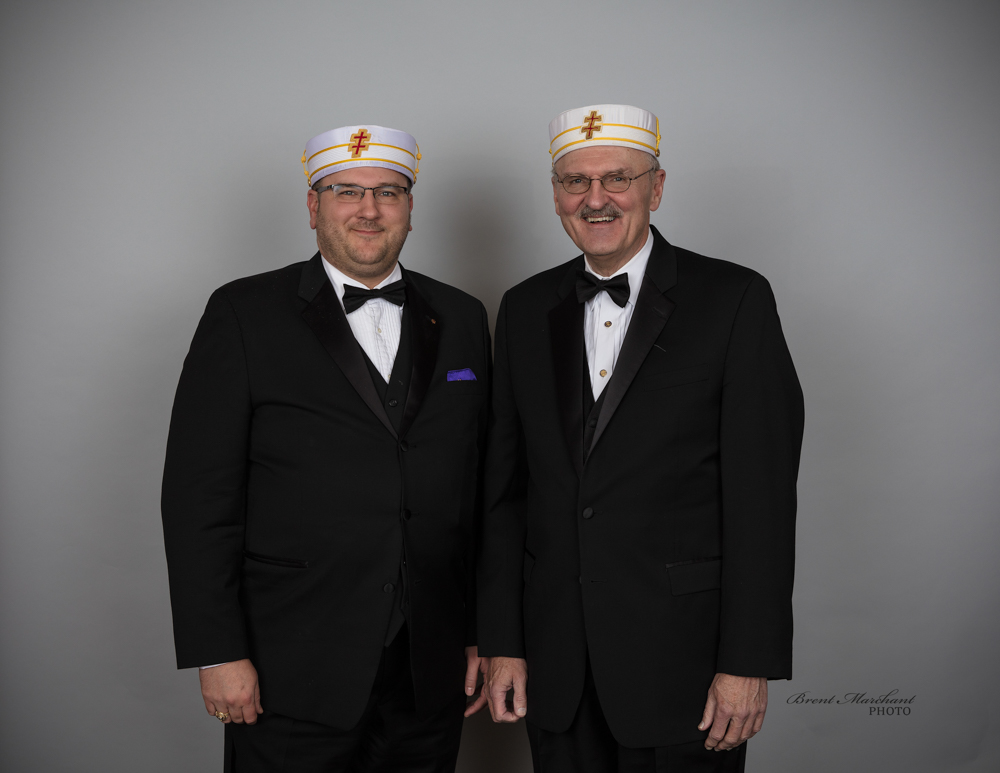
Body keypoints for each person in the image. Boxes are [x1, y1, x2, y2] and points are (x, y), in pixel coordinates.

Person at [477, 104, 805, 772]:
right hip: (556, 667)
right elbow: (505, 495)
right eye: (575, 181)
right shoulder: (523, 309)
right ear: (556, 196)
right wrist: (503, 641)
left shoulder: (735, 299)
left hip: (685, 664)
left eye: (617, 179)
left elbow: (762, 497)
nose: (595, 198)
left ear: (656, 188)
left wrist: (747, 661)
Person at [161, 123, 490, 772]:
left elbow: (482, 489)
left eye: (388, 192)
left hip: (430, 664)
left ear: (410, 208)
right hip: (289, 665)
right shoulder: (243, 313)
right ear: (313, 206)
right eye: (347, 191)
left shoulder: (463, 316)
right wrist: (218, 651)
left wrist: (482, 632)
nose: (369, 210)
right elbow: (198, 496)